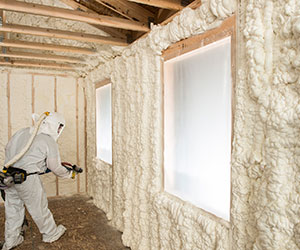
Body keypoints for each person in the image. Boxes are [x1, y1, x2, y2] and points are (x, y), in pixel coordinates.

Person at [1, 112, 74, 250]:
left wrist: (34, 164)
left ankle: (11, 240)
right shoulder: (48, 140)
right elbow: (55, 167)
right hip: (27, 179)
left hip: (9, 177)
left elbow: (9, 149)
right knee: (39, 208)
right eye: (59, 127)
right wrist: (69, 174)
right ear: (54, 125)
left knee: (13, 209)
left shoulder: (22, 132)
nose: (59, 131)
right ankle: (50, 233)